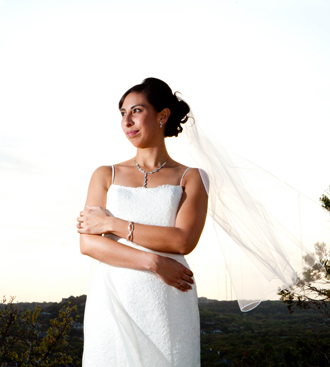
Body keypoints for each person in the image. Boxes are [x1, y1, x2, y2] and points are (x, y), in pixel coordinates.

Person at [76, 77, 208, 366]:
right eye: (123, 113)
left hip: (168, 297)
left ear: (162, 115)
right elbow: (87, 243)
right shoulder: (104, 174)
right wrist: (155, 263)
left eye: (136, 110)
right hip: (112, 296)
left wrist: (111, 224)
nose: (127, 120)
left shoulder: (191, 177)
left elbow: (183, 240)